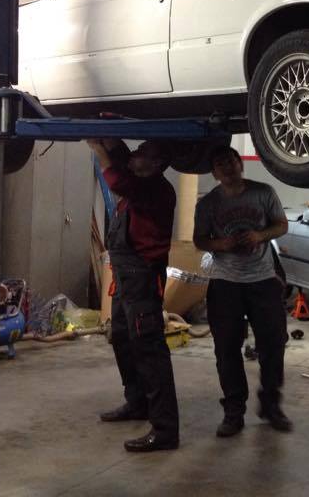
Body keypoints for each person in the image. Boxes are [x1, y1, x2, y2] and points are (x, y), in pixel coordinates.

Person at [88, 138, 180, 452]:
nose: (136, 154)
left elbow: (117, 180)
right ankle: (137, 402)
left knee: (149, 349)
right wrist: (112, 141)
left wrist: (99, 150)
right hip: (126, 277)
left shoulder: (156, 189)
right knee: (122, 338)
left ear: (157, 164)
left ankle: (165, 430)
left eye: (143, 152)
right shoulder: (141, 178)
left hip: (143, 278)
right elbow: (125, 162)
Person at [193, 145, 291, 437]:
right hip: (226, 283)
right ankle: (233, 412)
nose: (228, 167)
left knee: (273, 345)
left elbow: (281, 225)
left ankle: (271, 405)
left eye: (232, 161)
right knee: (226, 349)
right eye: (221, 164)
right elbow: (200, 240)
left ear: (240, 164)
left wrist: (260, 235)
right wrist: (221, 244)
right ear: (214, 173)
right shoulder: (208, 204)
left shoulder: (263, 193)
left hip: (263, 280)